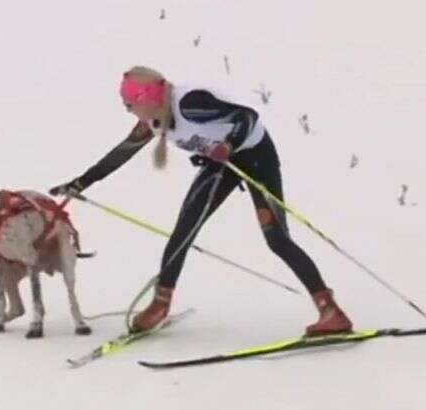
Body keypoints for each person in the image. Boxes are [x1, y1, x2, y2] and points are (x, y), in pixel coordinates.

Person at [49, 66, 353, 336]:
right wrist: (80, 183)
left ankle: (331, 311)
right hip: (222, 164)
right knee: (184, 230)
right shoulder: (155, 120)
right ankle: (160, 304)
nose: (129, 111)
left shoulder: (190, 104)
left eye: (130, 104)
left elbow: (247, 117)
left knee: (277, 240)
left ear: (147, 98)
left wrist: (228, 144)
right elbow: (121, 153)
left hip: (256, 157)